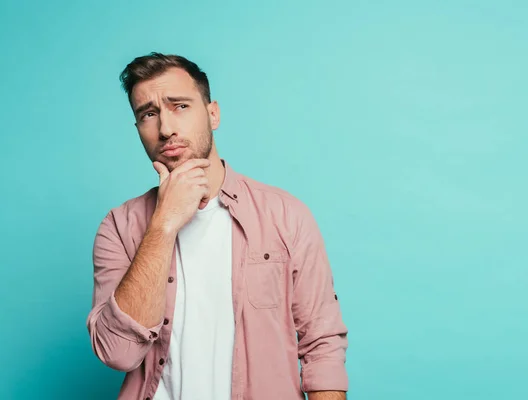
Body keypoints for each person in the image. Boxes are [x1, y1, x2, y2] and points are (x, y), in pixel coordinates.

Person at [86, 52, 349, 400]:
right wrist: (163, 223)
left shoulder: (286, 216)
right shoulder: (119, 227)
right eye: (149, 114)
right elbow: (118, 352)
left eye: (179, 106)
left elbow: (323, 345)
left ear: (213, 114)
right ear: (138, 129)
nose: (166, 128)